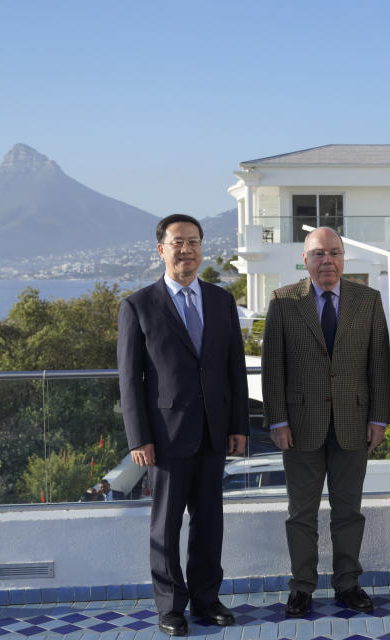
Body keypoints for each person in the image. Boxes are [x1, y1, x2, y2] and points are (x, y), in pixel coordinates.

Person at [117, 213, 248, 636]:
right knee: (166, 525)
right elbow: (129, 379)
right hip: (166, 438)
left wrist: (239, 426)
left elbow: (234, 370)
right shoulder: (137, 305)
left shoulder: (221, 301)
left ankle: (207, 599)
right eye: (178, 242)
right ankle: (170, 606)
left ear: (201, 248)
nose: (186, 249)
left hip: (214, 431)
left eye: (193, 241)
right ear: (162, 250)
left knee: (210, 522)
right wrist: (139, 438)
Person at [261, 227, 390, 618]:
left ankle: (347, 583)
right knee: (301, 513)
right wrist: (277, 421)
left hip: (353, 422)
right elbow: (273, 369)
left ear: (344, 258)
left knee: (348, 511)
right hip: (300, 426)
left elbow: (379, 366)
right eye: (318, 254)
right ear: (305, 260)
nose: (327, 261)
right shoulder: (284, 301)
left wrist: (380, 418)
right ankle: (302, 587)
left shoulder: (367, 300)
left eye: (334, 252)